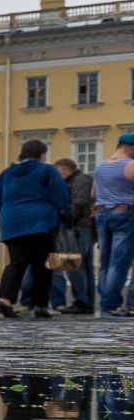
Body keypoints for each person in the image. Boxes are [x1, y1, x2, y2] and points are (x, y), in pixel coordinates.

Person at [0, 137, 72, 318]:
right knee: (42, 264)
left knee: (16, 263)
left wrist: (4, 218)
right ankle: (40, 305)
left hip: (12, 224)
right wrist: (65, 216)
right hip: (41, 223)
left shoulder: (6, 173)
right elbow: (61, 195)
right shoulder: (47, 170)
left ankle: (5, 300)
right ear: (42, 155)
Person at [50, 157, 96, 314]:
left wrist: (67, 220)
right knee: (84, 267)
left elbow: (79, 202)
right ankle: (86, 302)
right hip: (82, 228)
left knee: (74, 265)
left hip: (76, 228)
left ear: (64, 169)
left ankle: (81, 302)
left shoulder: (79, 179)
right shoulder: (81, 179)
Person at [95, 133, 134, 316]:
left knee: (105, 262)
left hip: (102, 213)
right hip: (124, 213)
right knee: (118, 262)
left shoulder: (100, 165)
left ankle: (105, 304)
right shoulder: (130, 164)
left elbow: (92, 193)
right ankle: (112, 305)